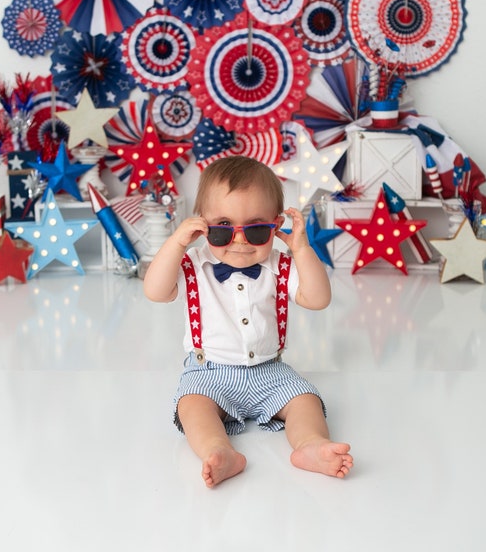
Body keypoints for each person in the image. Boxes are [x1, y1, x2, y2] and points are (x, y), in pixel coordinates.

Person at [143, 156, 353, 487]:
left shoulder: (281, 264)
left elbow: (318, 299)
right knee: (192, 406)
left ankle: (310, 444)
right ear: (202, 224)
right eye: (223, 228)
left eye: (255, 229)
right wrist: (176, 243)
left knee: (305, 400)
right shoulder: (193, 264)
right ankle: (219, 450)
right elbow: (155, 291)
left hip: (271, 370)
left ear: (276, 224)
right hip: (209, 371)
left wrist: (301, 248)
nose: (240, 241)